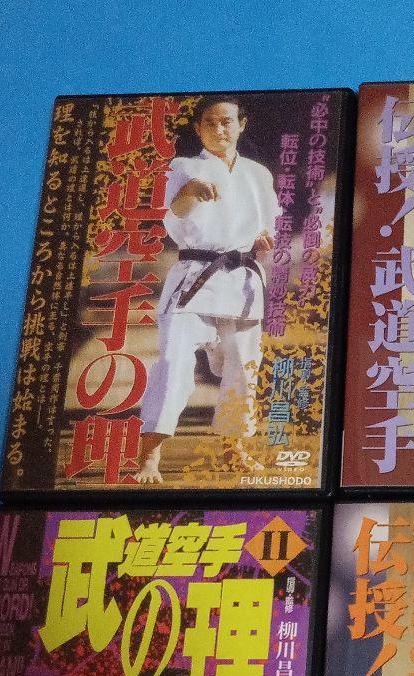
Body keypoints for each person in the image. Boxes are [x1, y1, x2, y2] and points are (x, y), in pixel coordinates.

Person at [135, 97, 280, 482]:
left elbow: (268, 228)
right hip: (195, 278)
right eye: (210, 123)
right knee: (174, 362)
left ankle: (234, 448)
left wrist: (264, 240)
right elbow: (175, 213)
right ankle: (150, 453)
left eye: (226, 122)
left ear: (241, 124)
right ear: (198, 128)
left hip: (242, 281)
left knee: (243, 369)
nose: (219, 130)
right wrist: (190, 191)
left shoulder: (258, 174)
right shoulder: (183, 167)